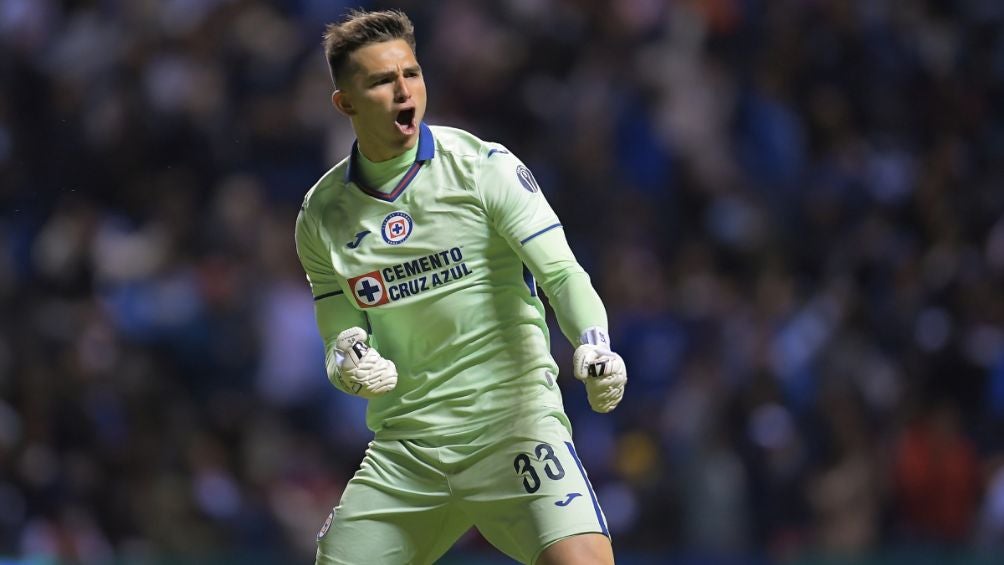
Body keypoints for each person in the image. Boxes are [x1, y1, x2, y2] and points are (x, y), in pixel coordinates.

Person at [294, 9, 627, 565]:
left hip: (513, 430)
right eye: (381, 80)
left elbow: (563, 274)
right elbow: (338, 327)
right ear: (344, 103)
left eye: (412, 74)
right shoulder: (320, 214)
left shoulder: (482, 167)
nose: (405, 91)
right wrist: (347, 358)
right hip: (408, 450)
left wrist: (593, 340)